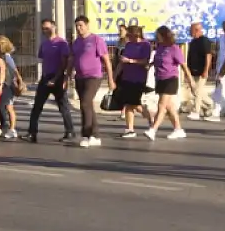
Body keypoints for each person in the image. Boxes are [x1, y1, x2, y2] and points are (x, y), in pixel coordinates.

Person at [26, 19, 75, 143]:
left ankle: (70, 131)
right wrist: (44, 77)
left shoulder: (61, 43)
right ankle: (32, 133)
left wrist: (56, 78)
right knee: (37, 106)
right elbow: (43, 60)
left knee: (63, 105)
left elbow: (64, 62)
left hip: (57, 77)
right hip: (45, 77)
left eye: (47, 28)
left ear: (54, 27)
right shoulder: (44, 44)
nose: (45, 31)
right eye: (43, 29)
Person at [70, 16, 113, 148]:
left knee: (85, 103)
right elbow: (71, 59)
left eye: (81, 25)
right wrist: (67, 76)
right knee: (87, 106)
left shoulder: (96, 40)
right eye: (77, 26)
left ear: (87, 25)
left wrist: (111, 79)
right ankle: (95, 135)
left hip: (93, 77)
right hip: (80, 77)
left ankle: (86, 134)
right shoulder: (76, 42)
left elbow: (106, 59)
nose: (79, 28)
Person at [110, 25, 153, 138]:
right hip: (126, 77)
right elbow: (121, 62)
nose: (128, 37)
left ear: (136, 35)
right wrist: (113, 77)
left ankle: (150, 120)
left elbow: (145, 61)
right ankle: (130, 129)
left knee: (133, 103)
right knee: (129, 103)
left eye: (130, 35)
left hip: (138, 78)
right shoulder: (128, 45)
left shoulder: (145, 45)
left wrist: (130, 61)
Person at [146, 26, 188, 140]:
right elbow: (157, 60)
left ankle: (153, 129)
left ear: (164, 35)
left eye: (157, 35)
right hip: (160, 79)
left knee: (161, 104)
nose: (155, 37)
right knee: (169, 106)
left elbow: (183, 64)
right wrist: (150, 65)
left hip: (170, 79)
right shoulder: (160, 47)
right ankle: (178, 129)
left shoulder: (174, 48)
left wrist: (191, 80)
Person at [183, 22, 216, 122]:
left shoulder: (204, 41)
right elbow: (189, 57)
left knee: (198, 91)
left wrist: (206, 70)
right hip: (193, 71)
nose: (189, 32)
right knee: (195, 91)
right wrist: (187, 71)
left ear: (196, 30)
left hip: (202, 71)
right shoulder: (192, 42)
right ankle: (210, 104)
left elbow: (208, 56)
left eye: (191, 30)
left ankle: (196, 111)